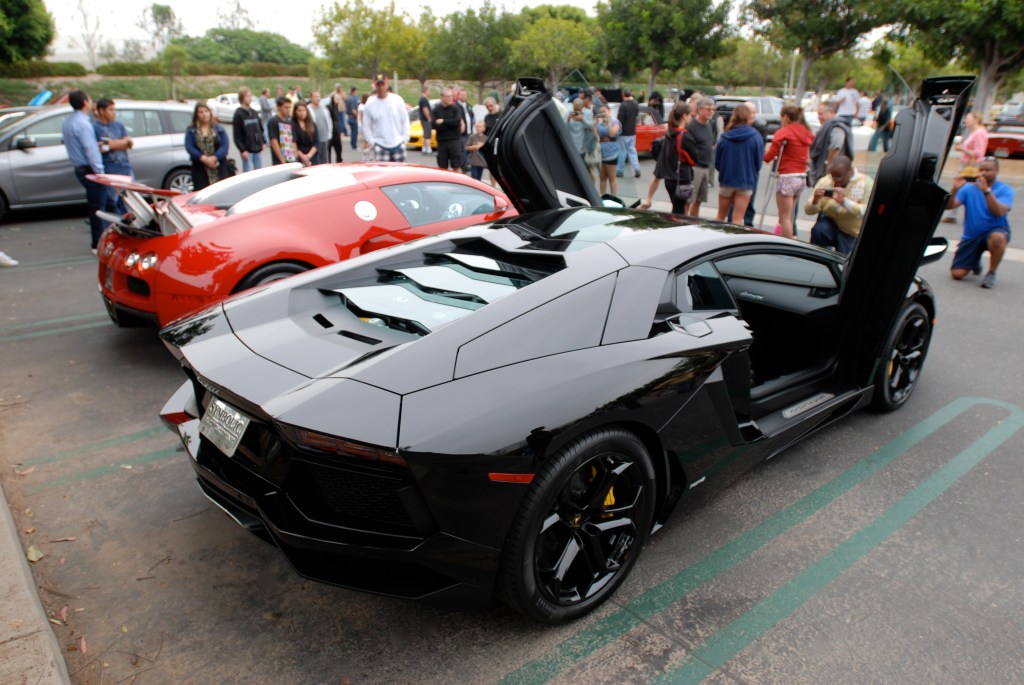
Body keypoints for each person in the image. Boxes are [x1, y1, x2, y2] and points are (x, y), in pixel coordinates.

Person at [947, 157, 1013, 289]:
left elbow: (999, 212)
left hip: (995, 231)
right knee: (957, 274)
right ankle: (975, 261)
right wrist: (954, 189)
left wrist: (986, 191)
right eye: (981, 169)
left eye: (988, 170)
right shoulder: (968, 189)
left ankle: (991, 272)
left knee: (998, 238)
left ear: (996, 171)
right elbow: (949, 206)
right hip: (972, 236)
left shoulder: (1005, 190)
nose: (983, 173)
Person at [62, 90, 106, 252]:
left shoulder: (69, 121)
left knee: (96, 205)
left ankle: (98, 241)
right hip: (90, 169)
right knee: (98, 208)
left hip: (79, 168)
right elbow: (90, 150)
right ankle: (98, 243)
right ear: (86, 103)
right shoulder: (83, 124)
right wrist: (100, 172)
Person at [804, 155, 872, 254]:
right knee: (819, 231)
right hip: (830, 224)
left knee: (846, 262)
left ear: (850, 171)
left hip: (851, 231)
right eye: (833, 176)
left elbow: (865, 211)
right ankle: (817, 258)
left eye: (839, 176)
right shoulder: (826, 181)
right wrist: (815, 201)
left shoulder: (866, 183)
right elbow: (808, 211)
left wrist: (844, 202)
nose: (836, 180)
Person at [763, 104, 814, 238]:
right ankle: (781, 238)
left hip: (787, 176)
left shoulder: (785, 131)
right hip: (800, 176)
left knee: (784, 217)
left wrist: (763, 155)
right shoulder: (805, 131)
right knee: (788, 215)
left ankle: (787, 243)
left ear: (785, 117)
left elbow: (770, 155)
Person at [640, 102, 695, 214]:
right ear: (684, 115)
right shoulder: (684, 136)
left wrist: (649, 198)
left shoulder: (669, 133)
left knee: (677, 208)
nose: (691, 118)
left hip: (669, 180)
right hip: (681, 179)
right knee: (679, 212)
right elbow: (693, 159)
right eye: (690, 115)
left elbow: (659, 169)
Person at [714, 104, 763, 223]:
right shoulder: (755, 136)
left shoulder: (725, 137)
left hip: (727, 180)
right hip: (745, 181)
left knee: (720, 216)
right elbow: (758, 163)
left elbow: (717, 162)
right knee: (738, 218)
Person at [362, 74, 409, 162]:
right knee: (384, 174)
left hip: (398, 143)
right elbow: (366, 125)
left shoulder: (397, 100)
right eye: (378, 85)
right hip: (380, 145)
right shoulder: (370, 103)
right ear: (375, 86)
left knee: (399, 174)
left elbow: (405, 120)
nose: (381, 87)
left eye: (382, 84)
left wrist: (404, 139)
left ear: (387, 85)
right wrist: (372, 142)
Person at [185, 102, 230, 190]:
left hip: (218, 165)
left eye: (206, 111)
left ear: (210, 112)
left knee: (221, 191)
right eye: (201, 112)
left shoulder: (218, 128)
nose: (204, 114)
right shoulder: (192, 130)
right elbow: (189, 146)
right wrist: (203, 158)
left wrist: (214, 158)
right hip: (200, 167)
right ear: (196, 114)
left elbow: (225, 145)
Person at [808, 101, 853, 186]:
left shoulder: (837, 127)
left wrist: (829, 167)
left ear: (832, 112)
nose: (818, 117)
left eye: (821, 114)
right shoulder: (828, 127)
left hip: (831, 174)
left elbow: (836, 147)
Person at [685, 97, 716, 216]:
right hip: (694, 168)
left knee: (699, 200)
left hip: (706, 167)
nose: (711, 111)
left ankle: (693, 222)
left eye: (713, 109)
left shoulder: (708, 125)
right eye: (708, 109)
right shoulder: (692, 126)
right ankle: (683, 223)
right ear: (699, 110)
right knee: (689, 200)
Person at [93, 98, 133, 178]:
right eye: (111, 110)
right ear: (101, 111)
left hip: (125, 167)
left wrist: (110, 144)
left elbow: (129, 144)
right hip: (110, 169)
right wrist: (121, 143)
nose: (114, 112)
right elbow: (100, 148)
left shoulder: (119, 125)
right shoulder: (95, 128)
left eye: (114, 109)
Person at [432, 86, 465, 172]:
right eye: (448, 96)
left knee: (456, 164)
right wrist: (450, 124)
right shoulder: (436, 110)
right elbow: (434, 125)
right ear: (442, 97)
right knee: (442, 166)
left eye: (451, 96)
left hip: (454, 140)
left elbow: (456, 122)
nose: (451, 98)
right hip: (442, 141)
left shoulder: (456, 108)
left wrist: (443, 121)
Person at [232, 87, 265, 172]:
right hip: (247, 150)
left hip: (257, 148)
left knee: (259, 171)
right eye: (247, 96)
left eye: (251, 96)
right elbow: (237, 135)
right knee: (248, 172)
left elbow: (260, 129)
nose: (250, 98)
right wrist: (242, 150)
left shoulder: (254, 112)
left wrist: (263, 141)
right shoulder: (238, 114)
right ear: (242, 98)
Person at [616, 88, 641, 178]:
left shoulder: (623, 105)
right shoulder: (635, 104)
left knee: (622, 152)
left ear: (623, 95)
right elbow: (637, 117)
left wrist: (616, 130)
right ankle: (637, 169)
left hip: (623, 133)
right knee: (632, 151)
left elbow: (620, 121)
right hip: (632, 132)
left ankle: (620, 171)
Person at [596, 105, 622, 195]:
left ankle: (613, 198)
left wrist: (609, 121)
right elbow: (595, 135)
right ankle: (602, 197)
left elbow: (611, 133)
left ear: (609, 111)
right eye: (601, 112)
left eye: (604, 111)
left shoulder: (615, 122)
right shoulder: (599, 123)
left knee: (612, 177)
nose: (603, 113)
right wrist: (594, 122)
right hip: (601, 153)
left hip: (612, 152)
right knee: (602, 176)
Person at [267, 97, 297, 165]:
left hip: (291, 157)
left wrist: (295, 156)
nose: (288, 110)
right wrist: (282, 160)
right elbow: (274, 141)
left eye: (289, 107)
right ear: (278, 107)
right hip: (280, 160)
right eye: (285, 107)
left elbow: (293, 140)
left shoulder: (289, 122)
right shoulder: (273, 121)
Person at [291, 101, 318, 167]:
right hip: (299, 156)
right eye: (299, 111)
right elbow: (294, 143)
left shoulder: (312, 124)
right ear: (295, 112)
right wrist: (303, 157)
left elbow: (317, 142)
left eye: (303, 110)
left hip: (312, 156)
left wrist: (308, 156)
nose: (302, 113)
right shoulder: (292, 125)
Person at [308, 91, 332, 165]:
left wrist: (329, 133)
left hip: (324, 137)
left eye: (319, 97)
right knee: (316, 159)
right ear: (311, 98)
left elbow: (329, 121)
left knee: (324, 158)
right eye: (316, 97)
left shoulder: (324, 108)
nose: (318, 98)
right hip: (314, 139)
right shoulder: (308, 109)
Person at [327, 84, 346, 163]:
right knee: (329, 149)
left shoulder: (336, 106)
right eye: (336, 99)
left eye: (338, 99)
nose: (337, 100)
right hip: (331, 131)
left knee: (338, 149)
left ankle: (339, 161)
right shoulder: (329, 107)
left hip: (336, 130)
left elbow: (345, 97)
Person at [457, 89, 474, 173]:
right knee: (462, 150)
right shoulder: (456, 106)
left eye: (465, 94)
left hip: (469, 132)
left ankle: (466, 164)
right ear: (458, 96)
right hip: (462, 133)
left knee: (468, 150)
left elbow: (472, 116)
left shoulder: (468, 105)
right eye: (462, 94)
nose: (463, 96)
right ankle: (463, 166)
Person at [418, 86, 433, 155]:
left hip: (422, 119)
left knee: (425, 134)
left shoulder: (421, 99)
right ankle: (428, 149)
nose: (429, 92)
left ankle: (424, 148)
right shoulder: (424, 99)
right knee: (428, 134)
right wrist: (429, 118)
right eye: (429, 90)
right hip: (425, 119)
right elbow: (425, 109)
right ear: (426, 91)